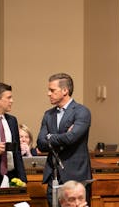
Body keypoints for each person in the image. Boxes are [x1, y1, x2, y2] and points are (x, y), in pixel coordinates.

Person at [36, 73, 92, 206]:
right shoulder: (48, 114)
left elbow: (71, 138)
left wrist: (50, 137)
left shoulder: (82, 111)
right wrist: (61, 136)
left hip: (76, 175)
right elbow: (41, 143)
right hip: (53, 175)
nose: (48, 93)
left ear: (65, 91)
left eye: (52, 90)